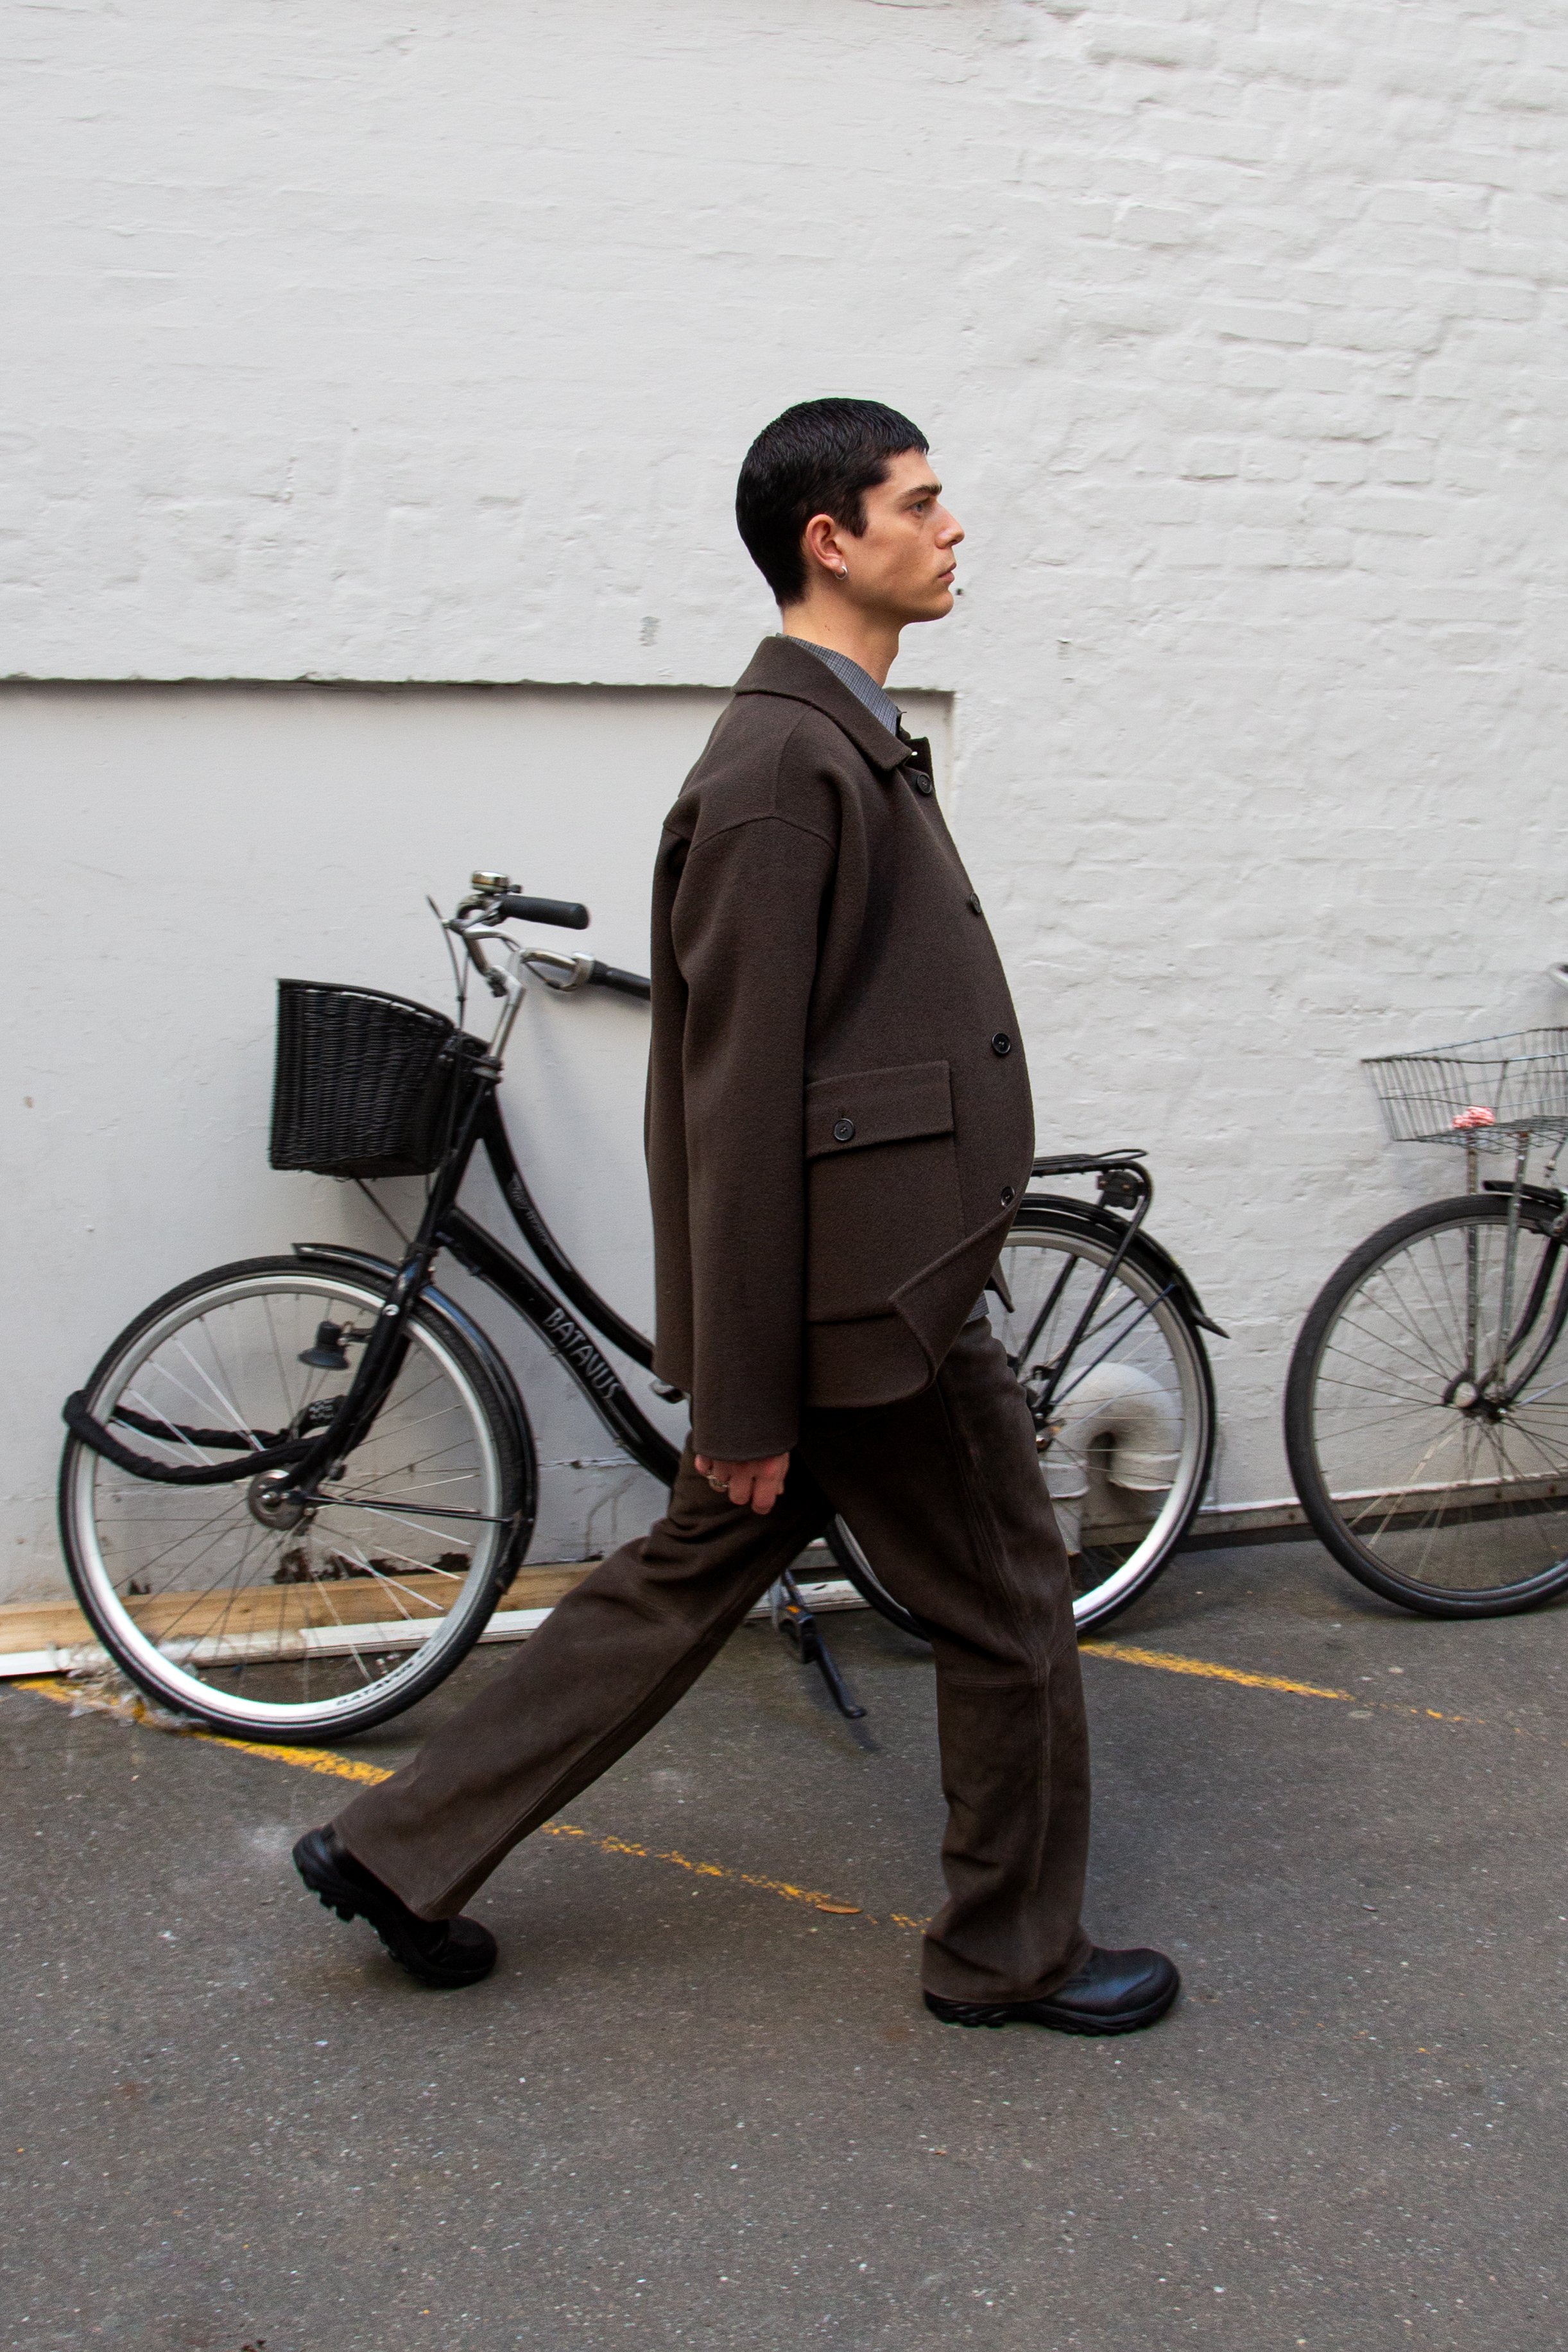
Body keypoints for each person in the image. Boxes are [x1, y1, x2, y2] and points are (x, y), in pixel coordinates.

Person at [293, 397, 1179, 2036]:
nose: (953, 525)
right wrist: (750, 1388)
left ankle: (397, 1845)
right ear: (830, 540)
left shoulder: (828, 736)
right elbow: (729, 1102)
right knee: (1008, 1609)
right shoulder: (784, 765)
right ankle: (1007, 1954)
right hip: (874, 1313)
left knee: (687, 1571)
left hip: (852, 1292)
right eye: (922, 501)